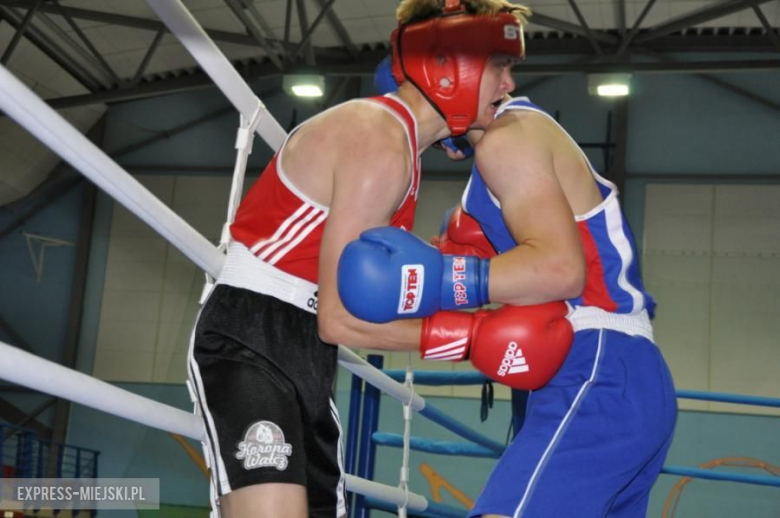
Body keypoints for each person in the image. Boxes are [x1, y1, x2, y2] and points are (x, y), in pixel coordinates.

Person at [186, 0, 531, 516]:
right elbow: (340, 316)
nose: (508, 85)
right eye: (499, 67)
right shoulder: (379, 142)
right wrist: (470, 338)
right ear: (448, 67)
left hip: (305, 351)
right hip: (253, 335)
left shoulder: (401, 146)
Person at [338, 69, 677, 518]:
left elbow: (559, 271)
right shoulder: (494, 172)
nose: (508, 81)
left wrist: (444, 280)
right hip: (615, 373)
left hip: (597, 365)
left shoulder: (507, 140)